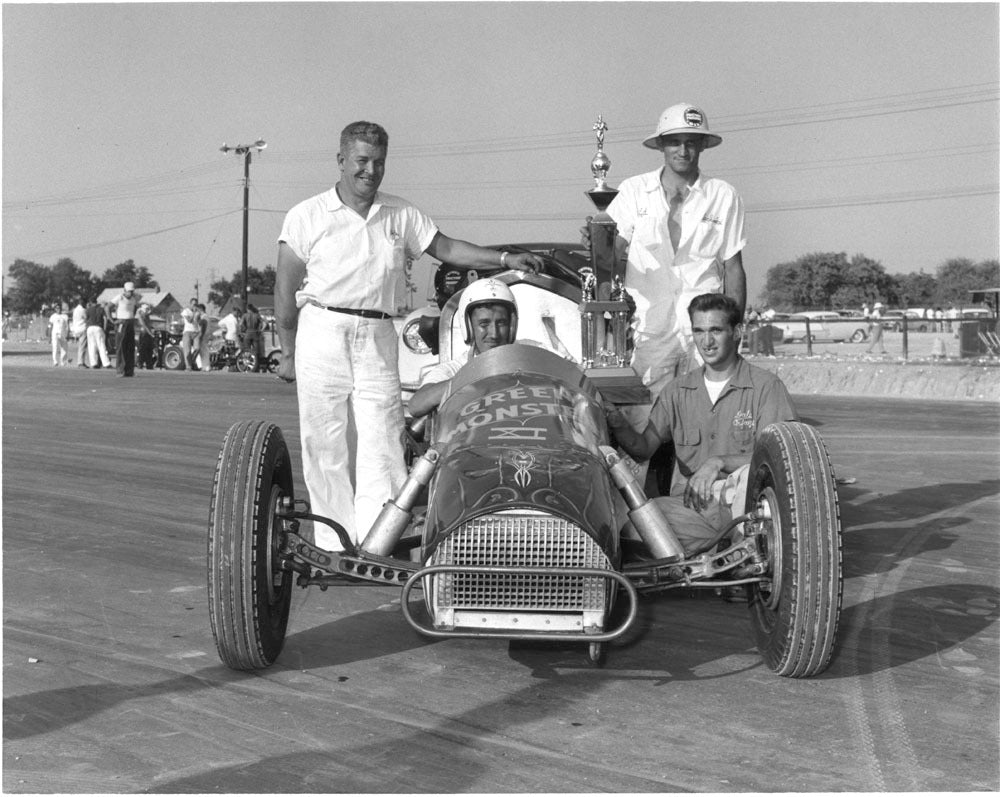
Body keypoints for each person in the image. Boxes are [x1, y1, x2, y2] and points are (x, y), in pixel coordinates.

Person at [274, 120, 544, 550]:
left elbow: (448, 249)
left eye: (379, 162)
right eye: (361, 161)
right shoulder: (307, 215)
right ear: (341, 160)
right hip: (322, 329)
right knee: (324, 439)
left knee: (382, 433)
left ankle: (377, 540)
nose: (370, 171)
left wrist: (505, 256)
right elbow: (285, 286)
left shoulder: (401, 213)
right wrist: (286, 351)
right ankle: (332, 542)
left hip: (379, 330)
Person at [585, 103, 748, 453]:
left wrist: (735, 330)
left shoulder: (723, 195)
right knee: (643, 425)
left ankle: (706, 496)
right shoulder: (631, 191)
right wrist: (599, 243)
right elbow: (611, 260)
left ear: (703, 146)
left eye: (692, 142)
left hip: (704, 330)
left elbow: (733, 267)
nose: (683, 150)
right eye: (675, 142)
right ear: (661, 145)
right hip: (649, 329)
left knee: (710, 421)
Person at [605, 293, 798, 552]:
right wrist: (617, 422)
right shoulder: (677, 390)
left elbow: (781, 458)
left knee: (743, 477)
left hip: (744, 506)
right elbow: (643, 448)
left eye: (716, 330)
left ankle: (744, 556)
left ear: (737, 332)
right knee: (634, 530)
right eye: (699, 331)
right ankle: (721, 557)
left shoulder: (766, 387)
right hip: (692, 508)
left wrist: (718, 462)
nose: (706, 342)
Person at [409, 278, 518, 418]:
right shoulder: (454, 369)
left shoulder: (531, 356)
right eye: (484, 325)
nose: (494, 334)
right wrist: (475, 377)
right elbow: (416, 405)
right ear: (469, 327)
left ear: (511, 326)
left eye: (501, 323)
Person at [111, 281, 140, 377]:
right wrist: (113, 321)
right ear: (124, 290)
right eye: (129, 291)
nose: (130, 293)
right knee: (121, 347)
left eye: (132, 291)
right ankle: (120, 370)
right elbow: (107, 307)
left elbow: (135, 308)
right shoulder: (119, 298)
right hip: (121, 323)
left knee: (130, 347)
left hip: (130, 322)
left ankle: (129, 370)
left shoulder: (133, 299)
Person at [85, 298, 112, 368]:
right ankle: (106, 363)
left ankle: (93, 363)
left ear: (90, 302)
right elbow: (105, 319)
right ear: (96, 302)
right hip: (98, 327)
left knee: (92, 346)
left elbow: (86, 319)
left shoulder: (88, 309)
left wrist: (86, 327)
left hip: (90, 328)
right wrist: (105, 329)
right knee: (101, 346)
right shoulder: (101, 309)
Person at [217, 303, 242, 370]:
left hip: (234, 336)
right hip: (231, 336)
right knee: (233, 351)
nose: (238, 314)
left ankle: (234, 365)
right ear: (234, 311)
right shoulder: (228, 318)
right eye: (237, 312)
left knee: (235, 351)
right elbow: (220, 323)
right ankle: (231, 364)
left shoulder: (236, 318)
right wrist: (225, 328)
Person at [239, 303, 263, 372]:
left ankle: (247, 366)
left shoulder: (245, 315)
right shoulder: (257, 315)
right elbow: (265, 323)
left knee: (247, 350)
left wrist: (241, 332)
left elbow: (240, 324)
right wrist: (261, 330)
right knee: (256, 351)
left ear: (247, 309)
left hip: (248, 333)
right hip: (255, 333)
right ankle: (256, 366)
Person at [136, 303, 156, 370]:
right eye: (147, 309)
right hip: (143, 334)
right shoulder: (140, 316)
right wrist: (150, 333)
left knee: (149, 350)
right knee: (142, 350)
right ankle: (140, 364)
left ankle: (149, 365)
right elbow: (144, 325)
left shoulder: (147, 316)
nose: (148, 311)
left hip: (148, 334)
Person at [71, 297, 89, 368]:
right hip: (82, 328)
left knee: (81, 346)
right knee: (82, 346)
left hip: (77, 328)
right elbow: (86, 318)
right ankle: (80, 362)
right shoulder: (82, 310)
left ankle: (81, 362)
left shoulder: (75, 309)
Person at [181, 298, 198, 371]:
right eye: (194, 304)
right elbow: (189, 320)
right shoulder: (186, 311)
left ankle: (192, 361)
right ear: (190, 304)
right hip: (187, 332)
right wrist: (194, 313)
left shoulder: (198, 312)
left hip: (196, 332)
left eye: (196, 304)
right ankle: (188, 366)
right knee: (187, 351)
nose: (195, 306)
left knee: (197, 348)